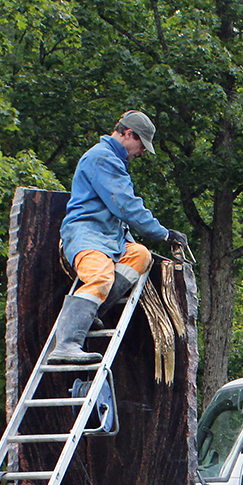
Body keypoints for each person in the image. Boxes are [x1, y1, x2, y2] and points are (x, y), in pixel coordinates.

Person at [49, 110, 190, 363]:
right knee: (100, 276)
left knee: (140, 255)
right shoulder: (103, 158)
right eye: (141, 145)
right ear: (128, 134)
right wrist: (164, 234)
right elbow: (125, 205)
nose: (142, 152)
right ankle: (67, 343)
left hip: (109, 238)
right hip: (87, 235)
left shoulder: (112, 160)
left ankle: (91, 312)